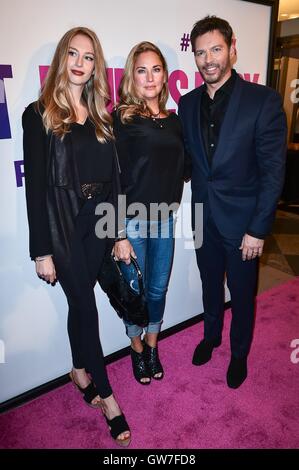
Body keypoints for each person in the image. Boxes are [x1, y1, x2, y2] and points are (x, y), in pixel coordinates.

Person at [22, 27, 134, 446]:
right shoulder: (39, 114)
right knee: (87, 308)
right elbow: (34, 185)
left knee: (79, 304)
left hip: (99, 222)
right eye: (73, 53)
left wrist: (119, 232)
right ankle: (107, 397)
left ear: (96, 66)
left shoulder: (104, 116)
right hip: (63, 225)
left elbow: (116, 179)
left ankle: (77, 371)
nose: (79, 63)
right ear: (61, 58)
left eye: (88, 57)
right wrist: (40, 251)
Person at [178, 16, 287, 388]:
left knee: (242, 294)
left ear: (232, 47)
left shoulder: (264, 101)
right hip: (203, 217)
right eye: (200, 52)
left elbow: (273, 172)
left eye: (215, 49)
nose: (208, 59)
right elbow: (189, 163)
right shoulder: (186, 103)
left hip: (243, 225)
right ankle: (211, 336)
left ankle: (239, 353)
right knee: (210, 285)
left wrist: (258, 229)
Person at [113, 41, 190, 385]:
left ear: (165, 76)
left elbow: (186, 168)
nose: (149, 77)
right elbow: (110, 178)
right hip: (131, 223)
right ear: (132, 76)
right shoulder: (122, 119)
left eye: (155, 69)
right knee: (135, 294)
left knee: (158, 291)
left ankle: (152, 346)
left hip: (165, 218)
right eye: (141, 70)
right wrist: (117, 233)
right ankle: (135, 348)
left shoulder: (175, 122)